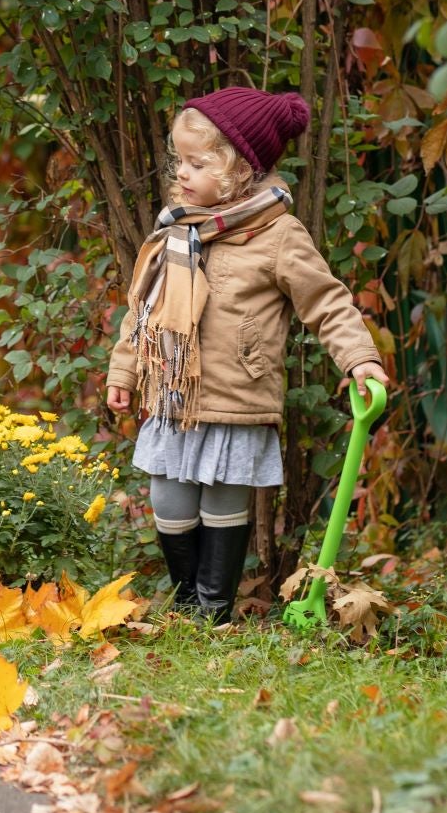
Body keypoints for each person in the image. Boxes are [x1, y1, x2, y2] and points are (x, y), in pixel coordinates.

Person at [105, 87, 390, 622]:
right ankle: (188, 599)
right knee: (169, 501)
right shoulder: (178, 228)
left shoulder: (279, 235)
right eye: (179, 161)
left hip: (238, 396)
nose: (182, 173)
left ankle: (211, 613)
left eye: (197, 163)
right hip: (174, 396)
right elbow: (142, 308)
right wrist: (124, 371)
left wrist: (359, 359)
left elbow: (326, 301)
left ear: (239, 170)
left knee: (222, 507)